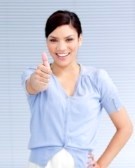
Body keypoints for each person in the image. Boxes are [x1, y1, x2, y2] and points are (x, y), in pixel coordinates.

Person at [21, 10, 133, 168]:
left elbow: (125, 127)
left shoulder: (98, 79)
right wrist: (36, 82)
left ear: (80, 39)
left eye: (69, 39)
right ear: (46, 42)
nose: (61, 47)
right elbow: (31, 86)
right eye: (53, 40)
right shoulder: (35, 75)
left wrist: (101, 164)